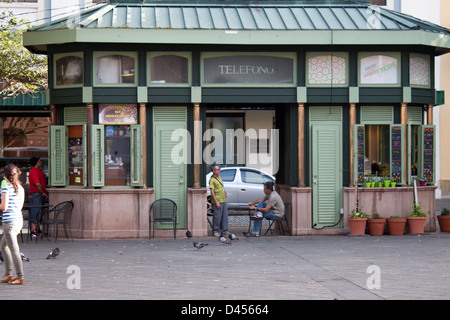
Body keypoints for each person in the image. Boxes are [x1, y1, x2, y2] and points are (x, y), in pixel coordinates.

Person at [0, 164, 25, 285]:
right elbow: (19, 206)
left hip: (9, 223)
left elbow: (3, 207)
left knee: (14, 250)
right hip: (18, 220)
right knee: (3, 246)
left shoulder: (5, 188)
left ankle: (19, 277)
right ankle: (8, 274)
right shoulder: (21, 188)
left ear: (5, 176)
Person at [28, 156, 48, 238]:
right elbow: (37, 184)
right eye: (39, 161)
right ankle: (33, 230)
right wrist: (43, 192)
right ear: (36, 163)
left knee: (39, 212)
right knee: (35, 211)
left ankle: (38, 229)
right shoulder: (34, 171)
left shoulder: (39, 171)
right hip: (36, 194)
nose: (41, 163)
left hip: (38, 194)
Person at [209, 164, 229, 237]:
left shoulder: (219, 177)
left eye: (219, 169)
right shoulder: (212, 180)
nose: (219, 170)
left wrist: (225, 192)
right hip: (217, 200)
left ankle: (225, 230)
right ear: (213, 171)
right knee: (217, 217)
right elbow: (212, 192)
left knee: (224, 216)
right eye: (218, 169)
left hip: (223, 199)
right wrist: (216, 202)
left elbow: (222, 186)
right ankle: (215, 231)